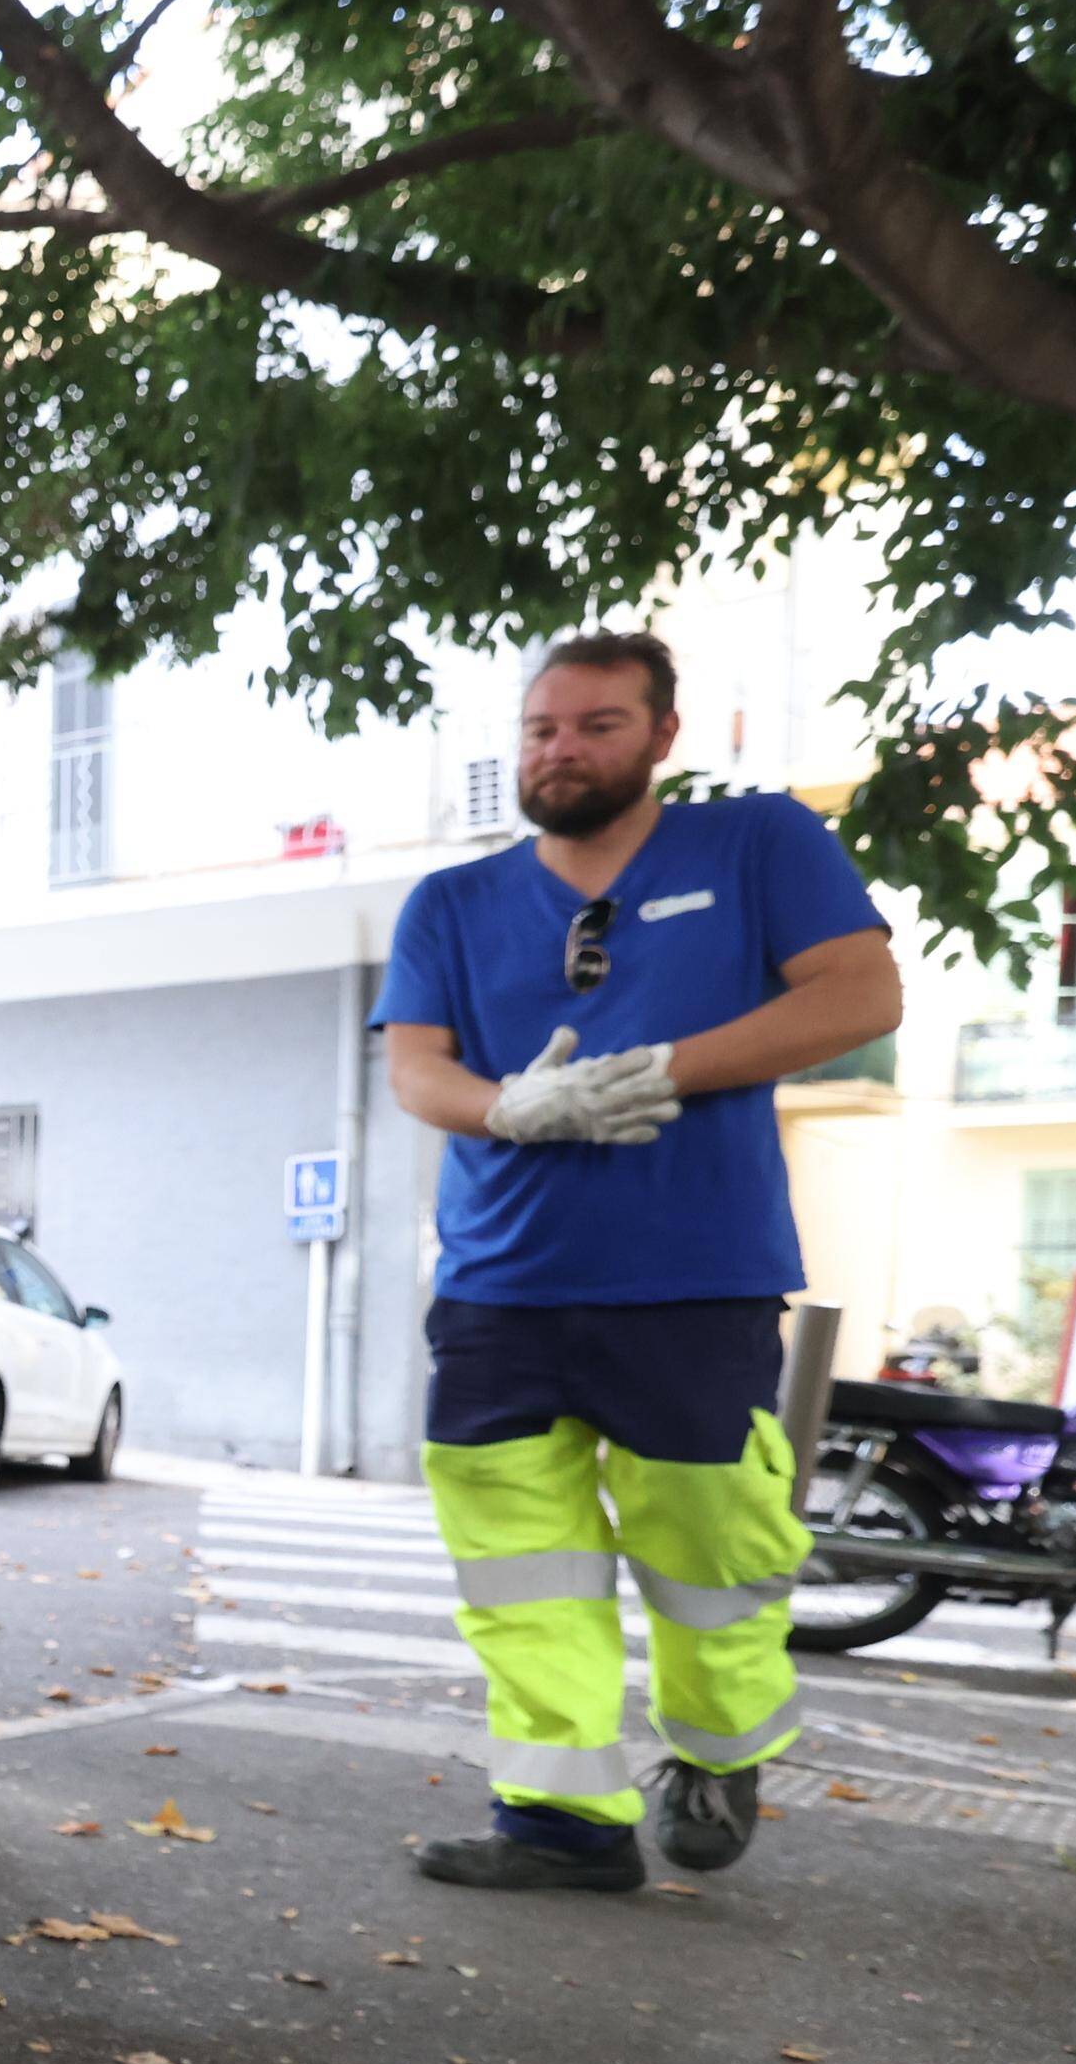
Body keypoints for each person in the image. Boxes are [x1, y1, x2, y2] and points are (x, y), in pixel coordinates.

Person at [371, 631, 904, 1891]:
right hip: (498, 1284)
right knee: (520, 1567)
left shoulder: (757, 844)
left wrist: (665, 1068)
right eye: (540, 729)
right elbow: (415, 1068)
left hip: (691, 1273)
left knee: (707, 1549)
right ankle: (557, 1823)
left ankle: (717, 1753)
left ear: (663, 734)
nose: (560, 750)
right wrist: (506, 1107)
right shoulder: (449, 903)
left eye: (596, 725)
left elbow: (859, 995)